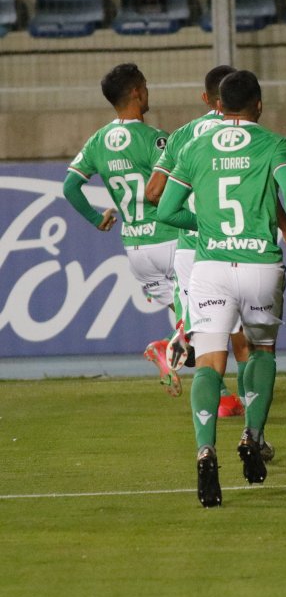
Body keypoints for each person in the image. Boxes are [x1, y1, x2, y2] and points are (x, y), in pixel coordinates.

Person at [156, 70, 286, 508]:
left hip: (210, 267)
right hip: (260, 265)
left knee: (210, 360)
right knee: (261, 351)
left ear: (218, 105)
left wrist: (206, 226)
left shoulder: (193, 145)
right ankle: (253, 435)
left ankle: (206, 450)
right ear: (259, 105)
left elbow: (167, 209)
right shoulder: (276, 144)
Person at [145, 65, 286, 435]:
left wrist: (198, 213)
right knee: (250, 343)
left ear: (208, 98)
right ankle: (253, 429)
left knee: (214, 343)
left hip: (192, 252)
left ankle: (208, 404)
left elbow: (153, 193)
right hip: (242, 246)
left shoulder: (185, 136)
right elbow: (266, 192)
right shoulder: (257, 138)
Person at [62, 62, 182, 397]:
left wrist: (95, 217)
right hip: (171, 240)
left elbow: (70, 186)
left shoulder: (98, 141)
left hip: (136, 249)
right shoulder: (156, 140)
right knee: (211, 319)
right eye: (145, 85)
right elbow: (178, 187)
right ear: (136, 92)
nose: (148, 91)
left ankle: (220, 397)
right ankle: (166, 349)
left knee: (190, 319)